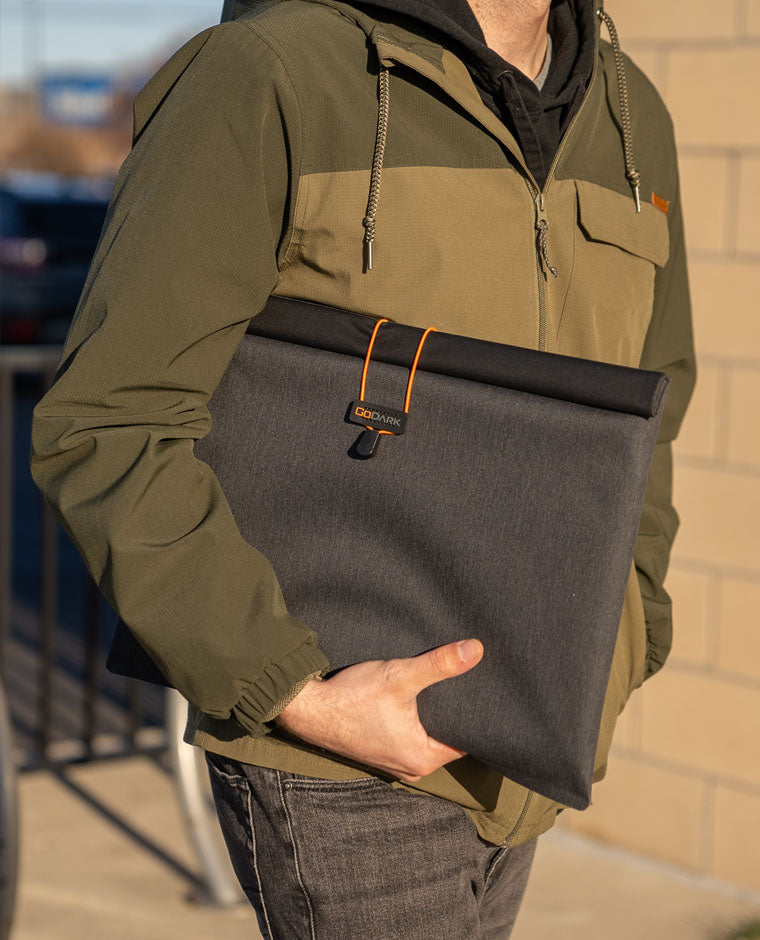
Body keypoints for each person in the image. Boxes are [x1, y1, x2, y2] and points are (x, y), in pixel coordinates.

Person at [29, 0, 696, 936]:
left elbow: (654, 399)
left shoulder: (631, 113)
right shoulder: (269, 70)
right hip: (340, 751)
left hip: (537, 732)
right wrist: (290, 690)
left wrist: (633, 623)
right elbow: (109, 418)